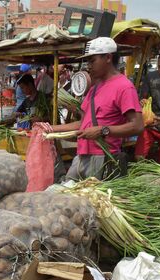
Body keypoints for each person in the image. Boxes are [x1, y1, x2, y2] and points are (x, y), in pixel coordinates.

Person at [38, 37, 143, 181]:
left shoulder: (124, 87)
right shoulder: (95, 88)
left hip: (103, 158)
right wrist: (50, 129)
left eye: (92, 61)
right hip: (82, 155)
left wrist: (103, 130)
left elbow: (137, 126)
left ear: (108, 57)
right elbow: (83, 123)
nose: (88, 66)